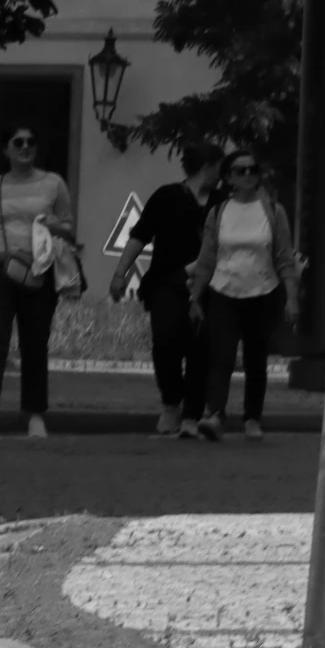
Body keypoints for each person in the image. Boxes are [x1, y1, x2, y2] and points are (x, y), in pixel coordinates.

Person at [0, 127, 77, 438]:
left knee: (34, 344)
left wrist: (55, 225)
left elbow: (69, 228)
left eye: (31, 141)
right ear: (6, 150)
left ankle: (35, 415)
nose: (26, 146)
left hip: (39, 271)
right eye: (18, 142)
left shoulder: (53, 183)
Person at [186, 150, 302, 442]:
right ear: (228, 178)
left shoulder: (273, 211)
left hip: (263, 292)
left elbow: (284, 258)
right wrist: (195, 297)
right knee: (221, 354)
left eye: (252, 169)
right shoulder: (219, 212)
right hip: (223, 290)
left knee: (255, 357)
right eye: (240, 170)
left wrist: (291, 298)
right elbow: (206, 259)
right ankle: (214, 415)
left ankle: (252, 417)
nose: (248, 174)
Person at [109, 144, 220, 437]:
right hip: (166, 283)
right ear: (206, 166)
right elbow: (139, 235)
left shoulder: (222, 201)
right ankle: (171, 402)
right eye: (219, 168)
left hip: (209, 285)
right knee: (165, 343)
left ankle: (191, 416)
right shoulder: (167, 196)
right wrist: (120, 273)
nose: (221, 175)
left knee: (201, 350)